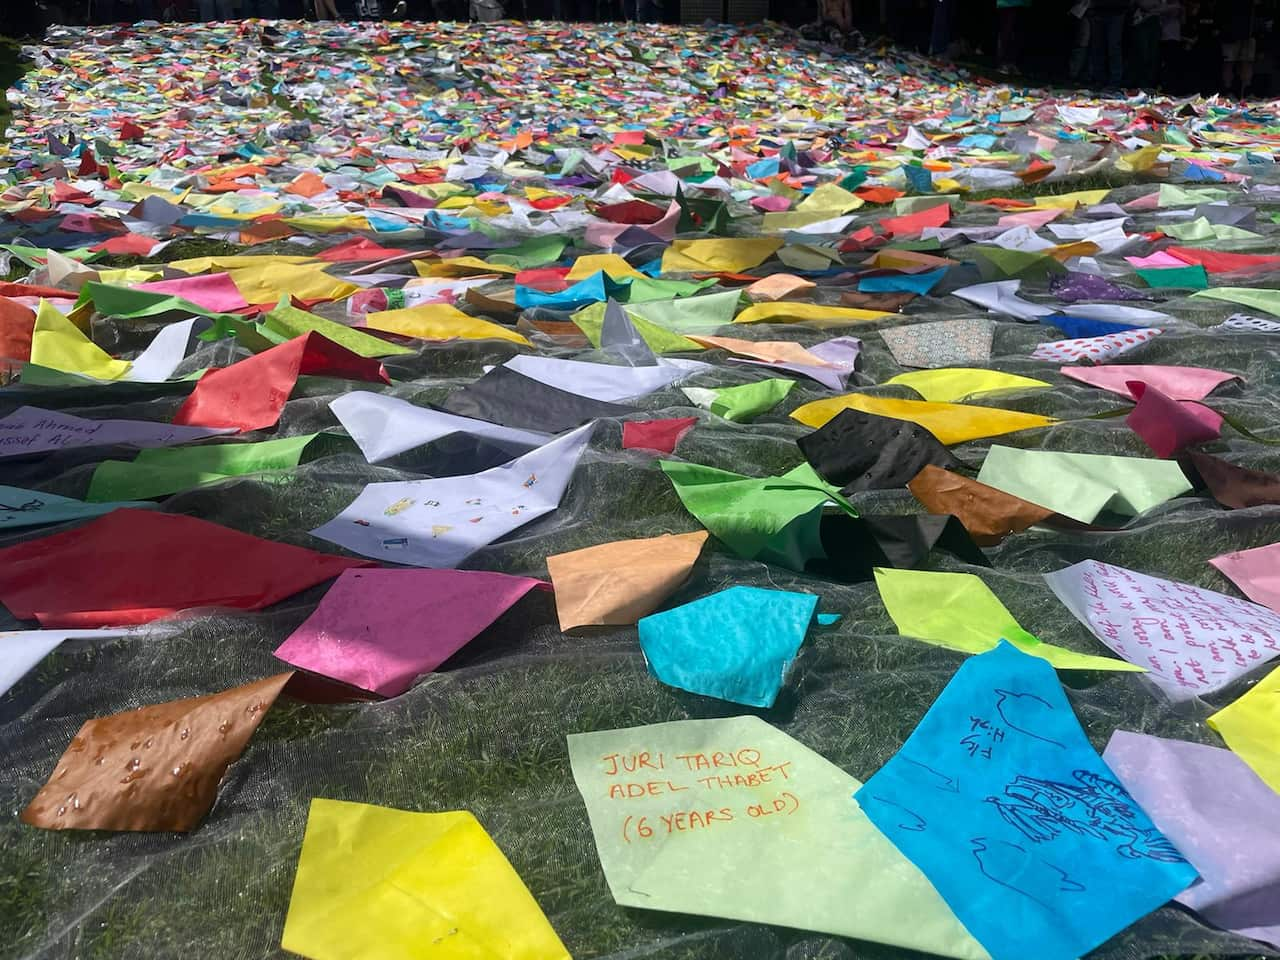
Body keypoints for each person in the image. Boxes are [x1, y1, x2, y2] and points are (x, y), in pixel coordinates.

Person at [1220, 0, 1259, 97]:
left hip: (1248, 34)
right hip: (1230, 34)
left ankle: (1246, 91)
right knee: (1229, 63)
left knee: (1247, 63)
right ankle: (1227, 91)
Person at [1088, 0, 1129, 88]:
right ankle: (1099, 80)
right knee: (1097, 47)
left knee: (1114, 47)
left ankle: (1115, 81)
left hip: (1117, 11)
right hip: (1098, 11)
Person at [995, 0, 1031, 73]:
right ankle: (1003, 63)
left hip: (1023, 3)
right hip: (1007, 3)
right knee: (1006, 30)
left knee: (1019, 34)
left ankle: (1012, 63)